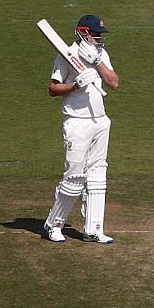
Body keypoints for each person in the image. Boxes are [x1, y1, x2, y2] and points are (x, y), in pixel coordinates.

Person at [43, 16, 119, 244]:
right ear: (83, 33)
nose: (100, 37)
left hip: (100, 120)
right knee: (74, 177)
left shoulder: (100, 54)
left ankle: (93, 228)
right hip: (77, 121)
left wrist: (97, 63)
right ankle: (53, 224)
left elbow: (114, 83)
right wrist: (76, 84)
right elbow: (52, 89)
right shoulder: (66, 55)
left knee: (97, 176)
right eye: (96, 34)